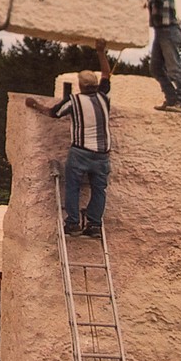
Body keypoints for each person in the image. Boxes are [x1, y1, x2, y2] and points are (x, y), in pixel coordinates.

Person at [25, 40, 112, 238]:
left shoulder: (74, 100)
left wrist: (34, 105)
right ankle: (94, 225)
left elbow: (53, 113)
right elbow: (107, 73)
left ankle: (73, 223)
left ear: (80, 85)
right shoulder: (104, 97)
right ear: (96, 84)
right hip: (102, 154)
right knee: (99, 189)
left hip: (81, 152)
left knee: (73, 186)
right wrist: (101, 52)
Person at [147, 0, 181, 113]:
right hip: (159, 32)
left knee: (174, 68)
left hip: (169, 31)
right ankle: (172, 99)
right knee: (155, 67)